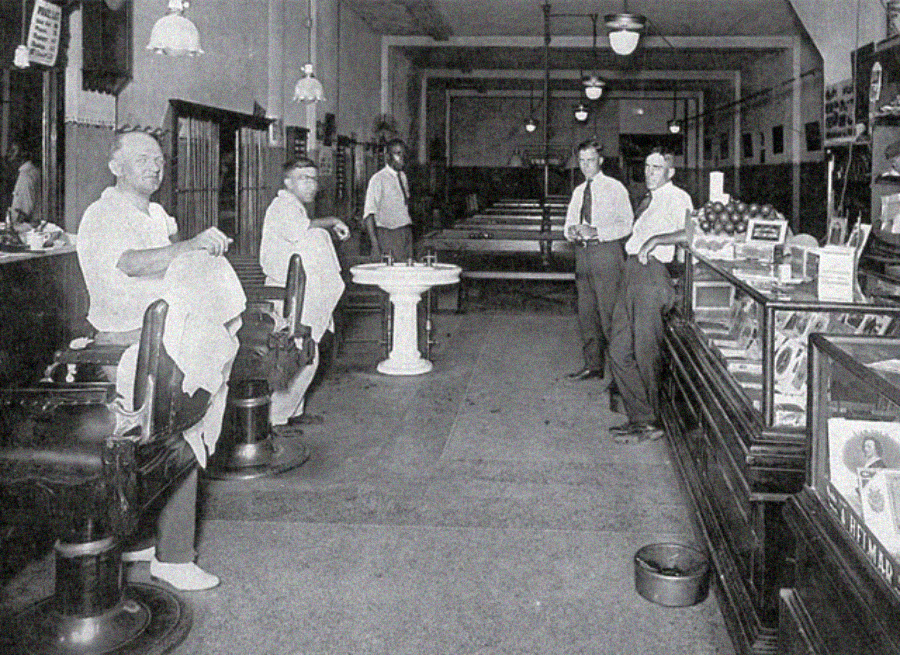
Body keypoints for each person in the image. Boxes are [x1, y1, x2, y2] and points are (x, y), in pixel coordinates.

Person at [77, 129, 235, 591]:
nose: (154, 166)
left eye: (160, 160)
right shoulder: (103, 213)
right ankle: (174, 556)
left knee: (202, 396)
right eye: (143, 158)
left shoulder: (156, 214)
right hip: (125, 343)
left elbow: (175, 272)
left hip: (163, 337)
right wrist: (188, 248)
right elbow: (129, 263)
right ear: (115, 165)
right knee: (184, 423)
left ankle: (148, 537)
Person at [608, 147, 693, 443]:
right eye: (647, 166)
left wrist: (656, 239)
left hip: (652, 276)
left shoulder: (678, 197)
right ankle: (642, 415)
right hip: (632, 273)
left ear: (671, 172)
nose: (648, 172)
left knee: (646, 352)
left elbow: (689, 233)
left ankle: (649, 421)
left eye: (656, 167)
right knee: (618, 348)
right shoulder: (650, 200)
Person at [259, 156, 349, 427]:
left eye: (313, 178)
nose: (311, 184)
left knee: (306, 352)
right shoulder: (282, 206)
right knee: (297, 353)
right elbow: (303, 231)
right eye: (303, 178)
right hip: (282, 291)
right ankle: (276, 421)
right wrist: (332, 220)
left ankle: (293, 413)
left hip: (298, 288)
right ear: (288, 182)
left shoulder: (295, 207)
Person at [563, 139, 633, 382]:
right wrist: (570, 232)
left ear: (600, 161)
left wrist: (596, 232)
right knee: (587, 313)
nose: (585, 166)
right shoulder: (578, 191)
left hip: (607, 254)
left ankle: (618, 375)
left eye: (590, 160)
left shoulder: (616, 188)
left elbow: (627, 225)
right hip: (583, 256)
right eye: (582, 161)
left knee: (610, 314)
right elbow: (568, 223)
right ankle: (593, 365)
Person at [363, 138, 413, 261]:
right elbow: (369, 214)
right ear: (387, 156)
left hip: (405, 232)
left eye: (404, 153)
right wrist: (375, 245)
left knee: (408, 272)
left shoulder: (402, 176)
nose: (402, 157)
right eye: (398, 153)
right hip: (388, 235)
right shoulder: (378, 179)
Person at [5, 138, 41, 229]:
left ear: (23, 154)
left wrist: (13, 228)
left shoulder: (26, 176)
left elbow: (24, 212)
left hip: (26, 230)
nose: (9, 155)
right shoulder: (33, 171)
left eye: (13, 151)